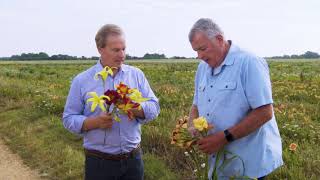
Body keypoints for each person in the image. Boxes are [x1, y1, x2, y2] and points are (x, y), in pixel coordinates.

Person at [188, 18, 283, 179]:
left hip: (248, 163)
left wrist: (224, 138)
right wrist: (192, 125)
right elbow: (196, 104)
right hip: (219, 165)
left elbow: (265, 112)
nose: (199, 56)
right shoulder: (202, 68)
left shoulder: (249, 63)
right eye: (196, 51)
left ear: (219, 39)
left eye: (203, 49)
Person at [62, 24, 160, 180]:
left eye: (124, 49)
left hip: (133, 161)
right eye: (116, 50)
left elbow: (154, 107)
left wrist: (133, 107)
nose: (122, 55)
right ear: (100, 49)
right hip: (99, 163)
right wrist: (95, 122)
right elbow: (68, 118)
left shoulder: (136, 75)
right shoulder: (82, 81)